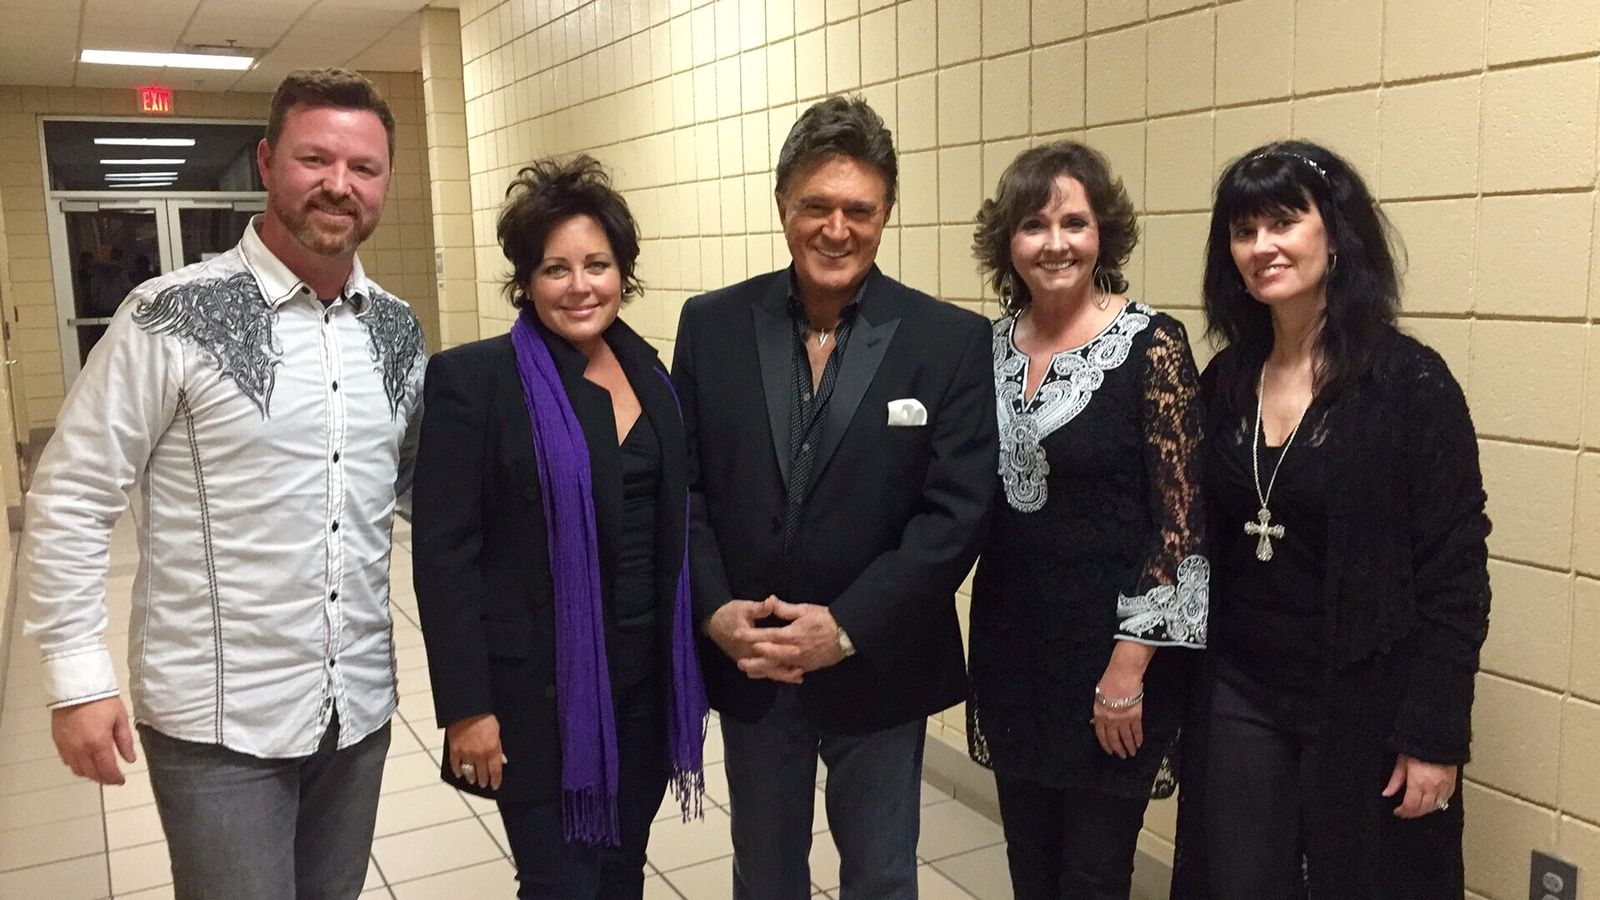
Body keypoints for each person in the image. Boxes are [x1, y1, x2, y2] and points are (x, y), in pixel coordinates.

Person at [20, 68, 425, 900]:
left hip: (355, 708)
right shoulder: (169, 316)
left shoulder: (396, 329)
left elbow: (409, 489)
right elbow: (73, 494)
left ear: (386, 181)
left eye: (364, 167)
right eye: (315, 159)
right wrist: (77, 678)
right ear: (268, 162)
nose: (340, 185)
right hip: (217, 723)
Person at [671, 94, 998, 899]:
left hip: (881, 659)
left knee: (882, 877)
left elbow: (955, 515)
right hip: (755, 657)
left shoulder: (948, 341)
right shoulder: (711, 326)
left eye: (860, 210)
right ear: (783, 203)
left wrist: (846, 627)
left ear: (887, 214)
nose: (837, 229)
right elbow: (683, 489)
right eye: (816, 206)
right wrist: (714, 612)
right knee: (765, 874)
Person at [1169, 140, 1491, 899]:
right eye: (1243, 231)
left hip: (1363, 696)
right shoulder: (1227, 380)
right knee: (1239, 881)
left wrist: (1435, 734)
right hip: (1242, 688)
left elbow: (1455, 572)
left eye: (1283, 222)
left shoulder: (1409, 384)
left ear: (1336, 234)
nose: (1262, 246)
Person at [412, 154, 708, 899]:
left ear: (622, 273)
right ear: (526, 279)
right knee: (561, 885)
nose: (580, 286)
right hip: (539, 701)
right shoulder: (475, 383)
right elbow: (444, 557)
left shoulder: (650, 374)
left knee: (622, 873)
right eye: (556, 268)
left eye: (597, 265)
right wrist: (466, 707)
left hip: (643, 687)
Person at [964, 141, 1207, 899]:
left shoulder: (1152, 345)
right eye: (1034, 225)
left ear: (1104, 234)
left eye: (1075, 222)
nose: (1056, 242)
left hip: (1113, 661)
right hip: (1013, 656)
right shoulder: (983, 351)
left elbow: (1182, 526)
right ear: (1008, 242)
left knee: (1094, 877)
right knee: (1030, 868)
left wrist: (1127, 670)